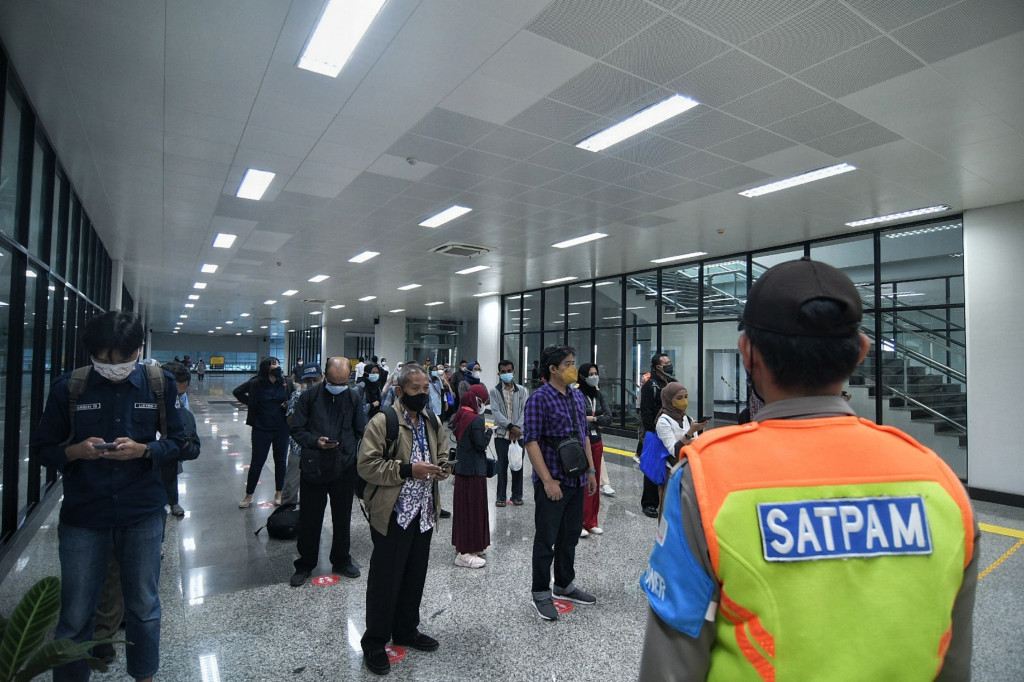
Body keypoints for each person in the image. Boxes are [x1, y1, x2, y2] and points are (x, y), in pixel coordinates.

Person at [639, 258, 979, 680]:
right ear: (861, 351)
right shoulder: (940, 483)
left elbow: (671, 667)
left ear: (747, 353)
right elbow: (954, 665)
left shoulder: (705, 481)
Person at [34, 310, 185, 682]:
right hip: (85, 515)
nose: (112, 368)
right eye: (103, 360)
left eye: (121, 360)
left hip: (142, 511)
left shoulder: (159, 385)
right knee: (75, 613)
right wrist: (74, 452)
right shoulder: (69, 388)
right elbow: (42, 449)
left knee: (144, 606)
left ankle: (144, 675)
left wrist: (145, 450)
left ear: (139, 350)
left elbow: (181, 443)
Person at [358, 364, 449, 676]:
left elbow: (443, 452)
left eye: (425, 389)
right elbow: (367, 466)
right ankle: (375, 641)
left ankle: (406, 629)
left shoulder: (431, 420)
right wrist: (408, 469)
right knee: (386, 579)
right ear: (399, 391)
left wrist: (442, 467)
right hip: (393, 513)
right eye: (415, 389)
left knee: (414, 575)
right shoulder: (384, 421)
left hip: (423, 513)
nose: (422, 394)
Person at [523, 345, 598, 621]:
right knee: (547, 539)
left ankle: (564, 584)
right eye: (567, 364)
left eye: (573, 362)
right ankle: (541, 592)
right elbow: (531, 441)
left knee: (570, 536)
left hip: (577, 479)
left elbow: (584, 436)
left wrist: (591, 471)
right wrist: (547, 481)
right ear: (553, 369)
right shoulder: (539, 399)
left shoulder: (577, 396)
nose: (572, 368)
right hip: (553, 480)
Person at [289, 357, 367, 586]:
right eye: (334, 382)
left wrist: (347, 450)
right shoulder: (309, 397)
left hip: (344, 467)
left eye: (343, 383)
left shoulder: (353, 396)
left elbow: (359, 429)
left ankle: (341, 560)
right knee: (310, 518)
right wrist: (316, 441)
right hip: (314, 465)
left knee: (342, 516)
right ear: (324, 376)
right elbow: (296, 429)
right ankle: (305, 563)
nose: (338, 387)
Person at [233, 357, 295, 508]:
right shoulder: (256, 383)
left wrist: (288, 404)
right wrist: (251, 403)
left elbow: (295, 398)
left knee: (280, 461)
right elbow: (237, 391)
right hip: (261, 428)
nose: (277, 366)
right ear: (266, 367)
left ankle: (279, 492)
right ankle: (249, 495)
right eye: (274, 364)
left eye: (278, 363)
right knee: (257, 462)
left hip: (282, 428)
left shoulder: (286, 382)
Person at [449, 384, 492, 568]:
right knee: (474, 509)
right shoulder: (475, 419)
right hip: (474, 471)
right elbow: (480, 444)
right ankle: (467, 552)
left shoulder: (460, 416)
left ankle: (468, 544)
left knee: (464, 509)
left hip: (462, 469)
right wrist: (489, 432)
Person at [158, 361, 202, 518]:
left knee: (171, 467)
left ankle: (173, 500)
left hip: (169, 457)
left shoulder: (182, 410)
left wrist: (183, 444)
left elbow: (194, 449)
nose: (176, 398)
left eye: (181, 394)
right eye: (173, 393)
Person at [280, 362, 324, 507]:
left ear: (321, 377)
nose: (311, 383)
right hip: (299, 448)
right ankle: (287, 513)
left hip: (321, 448)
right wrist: (302, 408)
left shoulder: (327, 396)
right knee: (291, 485)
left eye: (315, 379)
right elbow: (289, 420)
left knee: (317, 489)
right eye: (308, 380)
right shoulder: (298, 395)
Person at [577, 363, 612, 536]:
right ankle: (579, 522)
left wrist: (591, 419)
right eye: (590, 374)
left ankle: (592, 521)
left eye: (595, 373)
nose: (594, 376)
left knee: (595, 481)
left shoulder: (599, 394)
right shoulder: (576, 394)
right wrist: (596, 418)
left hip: (596, 440)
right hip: (580, 442)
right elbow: (577, 418)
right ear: (582, 376)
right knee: (582, 482)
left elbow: (609, 418)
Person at [638, 353, 674, 518]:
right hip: (655, 432)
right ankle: (650, 503)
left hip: (672, 431)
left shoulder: (672, 383)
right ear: (658, 367)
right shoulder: (650, 385)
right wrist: (652, 431)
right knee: (653, 467)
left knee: (670, 466)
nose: (669, 365)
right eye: (666, 363)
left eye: (669, 362)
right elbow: (645, 411)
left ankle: (668, 501)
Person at [488, 359, 528, 507]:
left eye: (509, 371)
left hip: (519, 434)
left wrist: (517, 428)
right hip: (501, 435)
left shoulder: (522, 390)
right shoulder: (494, 391)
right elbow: (496, 412)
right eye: (503, 372)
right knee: (502, 467)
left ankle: (517, 496)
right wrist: (511, 427)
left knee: (518, 465)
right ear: (499, 373)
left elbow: (525, 410)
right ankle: (501, 497)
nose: (506, 374)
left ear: (514, 371)